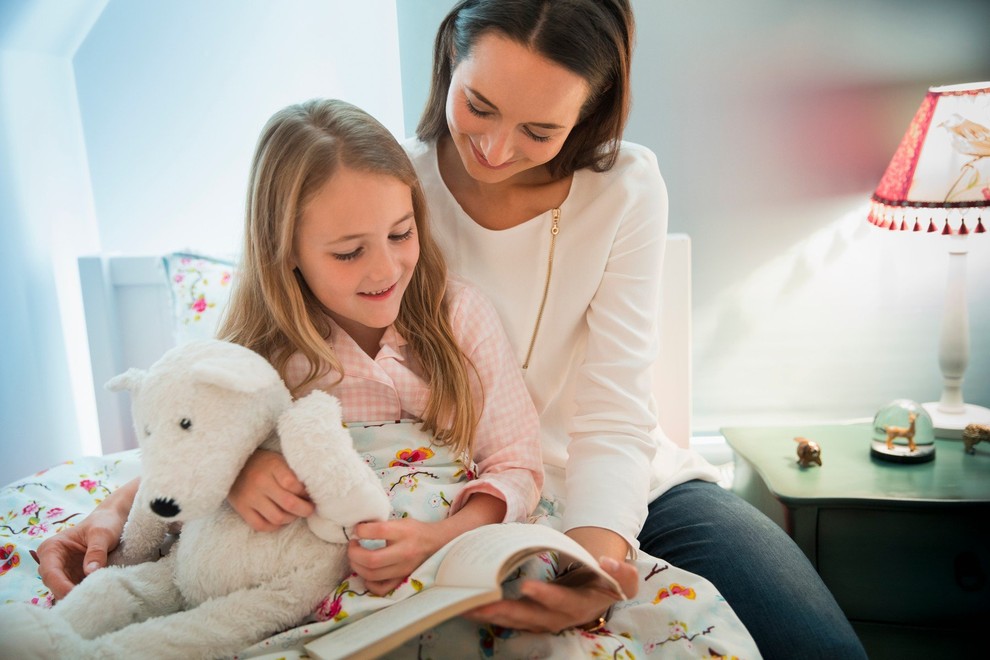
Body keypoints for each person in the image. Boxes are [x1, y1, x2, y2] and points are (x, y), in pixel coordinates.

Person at [38, 1, 865, 658]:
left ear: (590, 113)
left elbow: (614, 413)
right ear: (449, 65)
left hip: (613, 483)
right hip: (442, 479)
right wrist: (125, 510)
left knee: (816, 647)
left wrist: (584, 558)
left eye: (541, 130)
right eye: (479, 106)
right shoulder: (380, 185)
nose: (498, 150)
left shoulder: (627, 191)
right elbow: (226, 380)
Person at [36, 97, 546, 601]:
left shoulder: (459, 316)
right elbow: (185, 453)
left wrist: (438, 540)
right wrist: (232, 471)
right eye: (349, 252)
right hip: (302, 575)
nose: (386, 270)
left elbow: (516, 463)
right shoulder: (259, 354)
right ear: (286, 252)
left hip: (444, 549)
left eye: (400, 233)